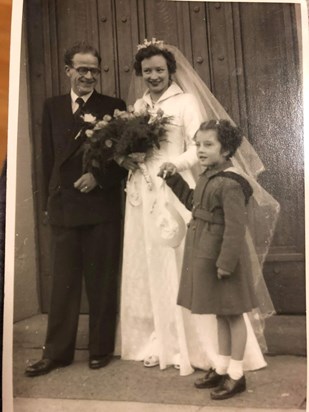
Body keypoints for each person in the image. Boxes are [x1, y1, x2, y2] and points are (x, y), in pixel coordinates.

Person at [120, 40, 277, 376]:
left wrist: (173, 166)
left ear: (170, 71)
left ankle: (203, 349)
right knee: (152, 263)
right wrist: (130, 157)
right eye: (147, 71)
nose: (154, 76)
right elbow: (133, 144)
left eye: (160, 69)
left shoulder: (186, 102)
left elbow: (198, 148)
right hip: (144, 190)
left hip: (173, 184)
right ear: (141, 73)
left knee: (181, 263)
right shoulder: (138, 105)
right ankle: (162, 340)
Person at [25, 42, 128, 377]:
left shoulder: (113, 106)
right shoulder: (52, 106)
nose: (87, 76)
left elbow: (126, 159)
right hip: (64, 208)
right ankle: (56, 353)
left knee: (101, 282)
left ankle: (100, 349)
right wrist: (46, 203)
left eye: (93, 70)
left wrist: (98, 177)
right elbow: (48, 159)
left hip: (100, 208)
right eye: (81, 69)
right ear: (67, 69)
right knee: (63, 285)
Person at [163, 119, 273, 399]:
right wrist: (173, 178)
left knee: (233, 315)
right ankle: (223, 367)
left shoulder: (231, 182)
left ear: (226, 150)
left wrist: (225, 263)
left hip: (224, 259)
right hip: (205, 252)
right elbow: (194, 204)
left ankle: (237, 375)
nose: (200, 150)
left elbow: (235, 228)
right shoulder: (208, 175)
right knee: (220, 314)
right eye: (197, 144)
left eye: (208, 144)